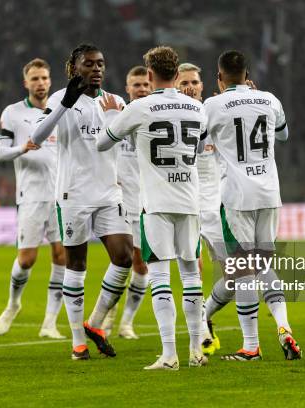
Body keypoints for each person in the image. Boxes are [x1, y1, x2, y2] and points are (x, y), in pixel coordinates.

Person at [96, 46, 208, 371]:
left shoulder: (140, 107)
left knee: (159, 275)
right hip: (189, 200)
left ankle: (170, 355)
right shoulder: (196, 108)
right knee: (190, 274)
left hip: (156, 203)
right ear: (177, 74)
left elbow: (103, 142)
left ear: (149, 75)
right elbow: (199, 146)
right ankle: (196, 351)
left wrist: (110, 117)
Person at [31, 44, 133, 360]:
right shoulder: (60, 98)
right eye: (89, 64)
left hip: (108, 193)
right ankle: (78, 341)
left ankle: (95, 322)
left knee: (125, 257)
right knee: (77, 265)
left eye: (100, 63)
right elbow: (37, 136)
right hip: (73, 194)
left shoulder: (116, 102)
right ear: (75, 69)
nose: (97, 69)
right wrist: (65, 104)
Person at [204, 50, 301, 361]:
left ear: (219, 78)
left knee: (244, 268)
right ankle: (283, 326)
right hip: (269, 193)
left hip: (237, 196)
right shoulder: (269, 99)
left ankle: (250, 346)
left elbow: (196, 141)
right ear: (247, 75)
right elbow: (284, 135)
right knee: (262, 264)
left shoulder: (213, 105)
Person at [0, 58, 66, 340]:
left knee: (61, 256)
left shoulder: (59, 111)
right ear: (26, 83)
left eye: (44, 78)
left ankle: (50, 322)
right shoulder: (13, 114)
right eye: (34, 78)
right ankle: (13, 303)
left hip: (61, 195)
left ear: (50, 80)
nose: (40, 83)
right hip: (31, 195)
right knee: (27, 259)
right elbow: (0, 154)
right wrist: (23, 148)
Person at [175, 63, 223, 355]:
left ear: (202, 85)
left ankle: (204, 312)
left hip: (216, 205)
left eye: (194, 82)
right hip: (186, 202)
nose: (190, 87)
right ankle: (201, 334)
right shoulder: (173, 119)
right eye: (183, 83)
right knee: (194, 269)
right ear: (175, 87)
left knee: (236, 274)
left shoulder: (214, 115)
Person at [101, 66, 151, 340]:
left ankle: (126, 323)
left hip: (145, 203)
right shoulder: (117, 119)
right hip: (119, 202)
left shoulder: (157, 119)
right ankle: (107, 315)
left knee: (141, 266)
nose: (141, 89)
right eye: (136, 85)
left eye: (145, 84)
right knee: (119, 263)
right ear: (128, 88)